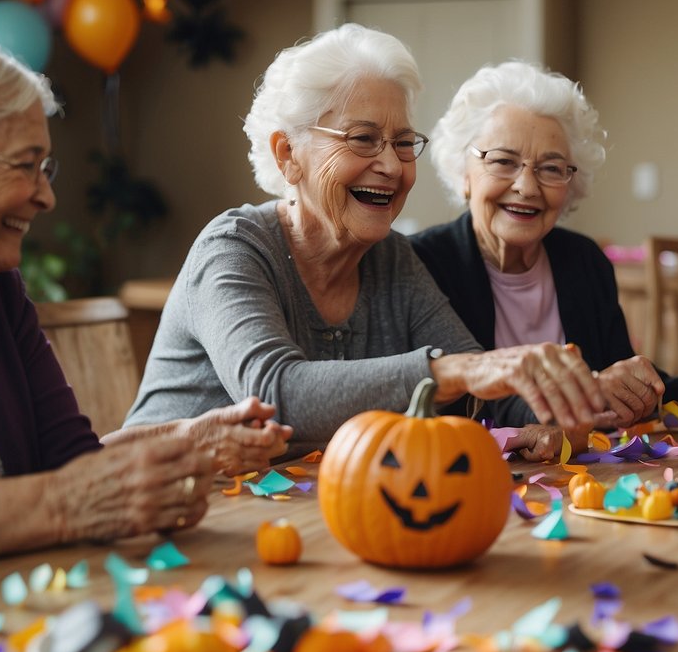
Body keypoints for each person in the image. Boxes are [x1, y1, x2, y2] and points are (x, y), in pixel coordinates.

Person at [0, 33, 290, 600]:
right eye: (25, 166)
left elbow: (70, 467)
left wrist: (181, 442)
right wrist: (63, 505)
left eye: (47, 168)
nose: (45, 197)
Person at [125, 25, 608, 451]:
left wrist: (570, 406)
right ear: (288, 153)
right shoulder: (234, 249)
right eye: (362, 139)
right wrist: (452, 372)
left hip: (298, 519)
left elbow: (483, 394)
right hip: (164, 517)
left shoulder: (392, 259)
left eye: (402, 142)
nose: (393, 166)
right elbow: (275, 393)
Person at [410, 61, 678, 459]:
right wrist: (592, 392)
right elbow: (451, 401)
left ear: (570, 186)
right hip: (470, 483)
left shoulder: (583, 261)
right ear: (463, 172)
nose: (526, 186)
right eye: (503, 161)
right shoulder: (425, 263)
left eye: (550, 168)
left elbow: (625, 386)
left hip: (579, 489)